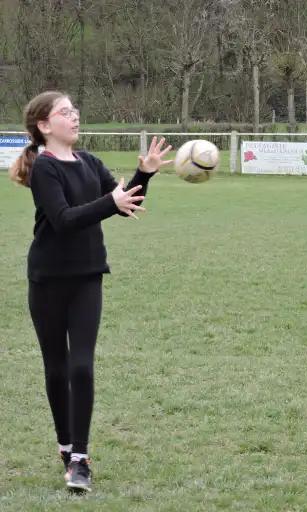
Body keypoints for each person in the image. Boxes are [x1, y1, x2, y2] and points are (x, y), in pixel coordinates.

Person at [9, 91, 172, 492]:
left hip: (87, 276)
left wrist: (144, 175)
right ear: (45, 126)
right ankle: (64, 446)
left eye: (75, 110)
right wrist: (110, 201)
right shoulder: (44, 169)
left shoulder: (90, 162)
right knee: (56, 368)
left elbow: (124, 203)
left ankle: (80, 460)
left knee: (81, 366)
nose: (75, 116)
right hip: (47, 279)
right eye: (65, 112)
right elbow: (64, 219)